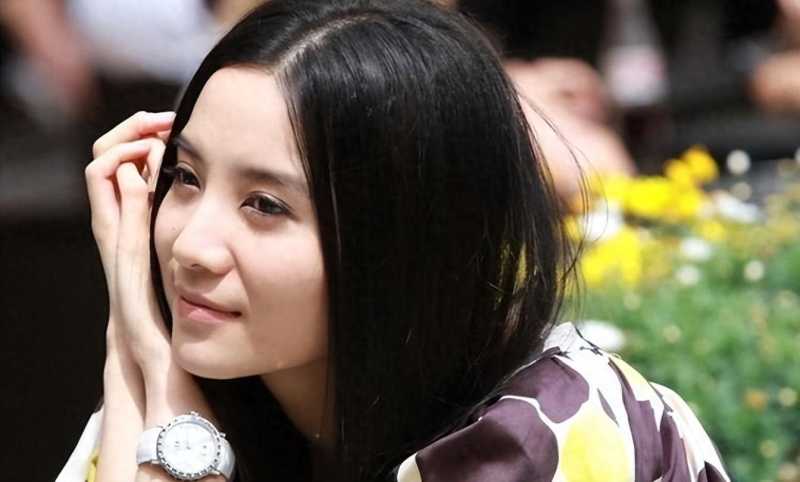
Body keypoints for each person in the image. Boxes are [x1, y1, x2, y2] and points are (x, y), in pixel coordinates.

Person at [57, 1, 730, 481]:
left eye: (265, 205)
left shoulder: (551, 427)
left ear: (406, 238)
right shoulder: (218, 395)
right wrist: (132, 344)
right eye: (185, 177)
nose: (191, 246)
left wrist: (158, 389)